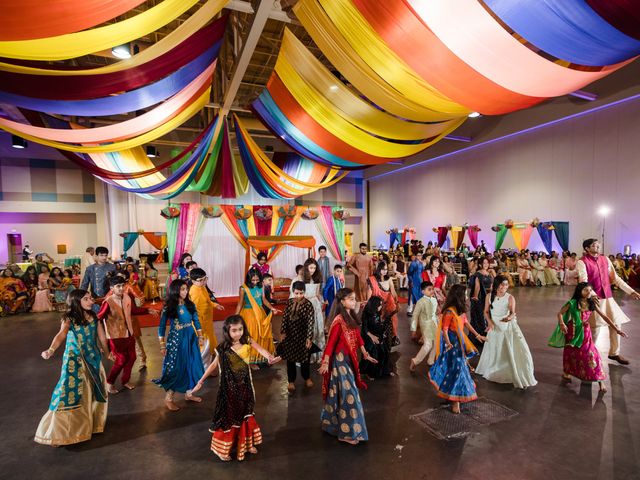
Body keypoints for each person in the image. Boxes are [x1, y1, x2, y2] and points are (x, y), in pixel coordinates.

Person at [191, 315, 278, 462]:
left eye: (240, 329)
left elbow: (260, 349)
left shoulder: (247, 341)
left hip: (245, 387)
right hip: (229, 390)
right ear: (227, 331)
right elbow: (213, 365)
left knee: (247, 413)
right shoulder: (223, 349)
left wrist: (269, 357)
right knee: (231, 418)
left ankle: (247, 443)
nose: (238, 333)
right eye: (234, 330)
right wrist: (200, 381)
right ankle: (222, 449)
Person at [35, 289, 111, 446]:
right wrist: (51, 349)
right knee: (68, 393)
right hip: (74, 360)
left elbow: (102, 337)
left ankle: (90, 424)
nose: (91, 301)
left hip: (93, 358)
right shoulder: (69, 318)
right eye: (86, 299)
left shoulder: (94, 317)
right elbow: (61, 334)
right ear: (76, 301)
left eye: (91, 298)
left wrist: (108, 353)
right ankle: (58, 432)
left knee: (92, 390)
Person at [319, 288, 377, 445]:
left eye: (354, 299)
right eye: (351, 299)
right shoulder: (338, 321)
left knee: (340, 393)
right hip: (340, 362)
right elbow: (330, 344)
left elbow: (358, 337)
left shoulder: (350, 316)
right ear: (342, 301)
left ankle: (333, 425)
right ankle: (346, 433)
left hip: (349, 360)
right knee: (349, 396)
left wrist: (365, 353)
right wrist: (325, 362)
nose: (354, 301)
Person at [549, 282, 628, 393]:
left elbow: (604, 316)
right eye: (586, 290)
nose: (589, 292)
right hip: (571, 331)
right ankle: (567, 372)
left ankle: (600, 380)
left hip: (585, 333)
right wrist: (562, 323)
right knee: (571, 353)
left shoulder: (592, 304)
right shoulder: (572, 303)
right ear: (579, 291)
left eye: (590, 290)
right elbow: (560, 313)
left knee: (591, 354)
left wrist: (616, 329)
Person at [576, 239, 640, 365]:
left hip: (608, 298)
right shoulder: (582, 262)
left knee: (616, 324)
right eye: (594, 245)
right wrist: (591, 295)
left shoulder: (605, 259)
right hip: (593, 298)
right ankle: (589, 355)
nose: (598, 246)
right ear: (587, 248)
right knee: (595, 329)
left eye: (598, 244)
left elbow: (615, 278)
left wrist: (631, 291)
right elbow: (583, 281)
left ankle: (614, 353)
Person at [429, 285, 485, 414]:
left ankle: (453, 396)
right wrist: (448, 343)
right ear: (459, 296)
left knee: (459, 369)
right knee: (457, 369)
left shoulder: (460, 310)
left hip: (460, 342)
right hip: (452, 344)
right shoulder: (449, 311)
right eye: (465, 294)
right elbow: (444, 329)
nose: (466, 296)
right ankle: (455, 401)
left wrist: (477, 335)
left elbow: (466, 323)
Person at [476, 275, 537, 389]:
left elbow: (513, 313)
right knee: (494, 347)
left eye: (506, 284)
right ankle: (493, 367)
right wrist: (489, 322)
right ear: (497, 285)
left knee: (505, 347)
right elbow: (485, 311)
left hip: (505, 325)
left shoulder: (510, 297)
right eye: (502, 284)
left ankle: (506, 369)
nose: (504, 287)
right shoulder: (489, 296)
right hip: (494, 325)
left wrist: (509, 318)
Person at [153, 279, 205, 411]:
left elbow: (196, 321)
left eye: (186, 289)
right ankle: (168, 398)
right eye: (182, 289)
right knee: (177, 368)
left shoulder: (190, 305)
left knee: (192, 365)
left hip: (191, 339)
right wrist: (162, 345)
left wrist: (200, 336)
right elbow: (161, 327)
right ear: (175, 290)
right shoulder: (169, 307)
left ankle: (189, 393)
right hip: (177, 341)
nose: (185, 291)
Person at [277, 281, 316, 392]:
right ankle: (291, 381)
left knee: (305, 358)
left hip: (303, 336)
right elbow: (284, 318)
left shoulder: (308, 304)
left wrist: (309, 338)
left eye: (301, 293)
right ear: (293, 292)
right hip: (290, 336)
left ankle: (307, 378)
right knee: (290, 359)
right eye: (297, 293)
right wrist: (283, 332)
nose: (299, 296)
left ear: (304, 292)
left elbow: (310, 322)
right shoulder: (289, 303)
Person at [235, 269, 279, 366]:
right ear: (248, 279)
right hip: (248, 315)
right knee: (251, 336)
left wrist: (272, 308)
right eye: (253, 280)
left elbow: (264, 300)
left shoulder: (261, 286)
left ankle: (263, 356)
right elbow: (240, 303)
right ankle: (251, 361)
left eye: (257, 280)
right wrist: (235, 318)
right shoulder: (243, 288)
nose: (255, 282)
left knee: (261, 335)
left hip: (260, 313)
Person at [189, 268, 225, 369]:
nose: (204, 282)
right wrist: (199, 330)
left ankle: (209, 367)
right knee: (204, 348)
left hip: (207, 322)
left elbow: (208, 300)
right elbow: (194, 313)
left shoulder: (202, 287)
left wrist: (215, 305)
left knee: (210, 345)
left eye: (205, 279)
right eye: (200, 280)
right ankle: (202, 369)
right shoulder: (194, 292)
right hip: (201, 325)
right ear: (193, 281)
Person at [299, 258, 326, 363]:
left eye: (314, 268)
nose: (312, 270)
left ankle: (318, 355)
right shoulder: (300, 279)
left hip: (316, 304)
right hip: (305, 304)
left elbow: (318, 293)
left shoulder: (316, 278)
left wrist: (322, 302)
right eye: (310, 267)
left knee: (318, 328)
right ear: (306, 267)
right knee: (307, 329)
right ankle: (307, 355)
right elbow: (297, 294)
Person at [360, 296, 393, 378]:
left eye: (381, 305)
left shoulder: (377, 312)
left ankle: (385, 371)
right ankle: (370, 373)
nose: (380, 307)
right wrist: (372, 337)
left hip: (378, 334)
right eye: (379, 305)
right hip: (368, 335)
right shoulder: (366, 314)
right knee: (373, 350)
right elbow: (365, 329)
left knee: (384, 351)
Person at [367, 261, 399, 342]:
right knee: (378, 322)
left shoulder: (389, 279)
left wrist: (397, 302)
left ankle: (392, 338)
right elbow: (369, 293)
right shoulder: (372, 279)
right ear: (378, 269)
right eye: (383, 269)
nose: (385, 271)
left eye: (386, 269)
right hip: (378, 305)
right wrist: (368, 304)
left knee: (392, 320)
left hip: (389, 304)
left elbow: (393, 292)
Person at [409, 281, 438, 371]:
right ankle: (415, 361)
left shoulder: (434, 300)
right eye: (429, 289)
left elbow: (434, 313)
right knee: (428, 345)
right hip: (425, 325)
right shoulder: (420, 302)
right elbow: (415, 315)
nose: (432, 291)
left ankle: (431, 360)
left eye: (432, 289)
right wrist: (413, 330)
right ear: (423, 291)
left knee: (436, 343)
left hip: (434, 324)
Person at [469, 257, 493, 349]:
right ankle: (479, 337)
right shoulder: (478, 274)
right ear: (480, 264)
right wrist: (475, 296)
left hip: (488, 297)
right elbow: (477, 286)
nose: (486, 264)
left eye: (487, 262)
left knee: (488, 316)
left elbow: (491, 285)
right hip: (480, 297)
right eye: (484, 263)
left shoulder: (489, 273)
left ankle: (487, 335)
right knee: (480, 316)